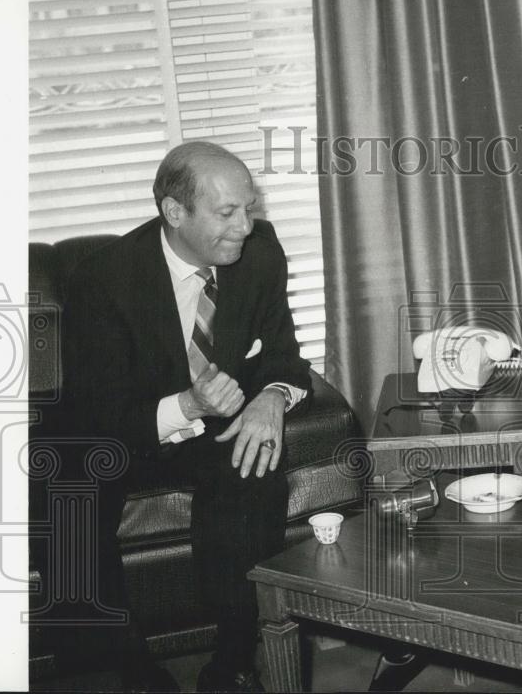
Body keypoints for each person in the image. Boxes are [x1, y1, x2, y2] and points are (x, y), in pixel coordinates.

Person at [61, 142, 312, 691]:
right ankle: (131, 669)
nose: (245, 226)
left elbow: (285, 356)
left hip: (211, 429)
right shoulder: (102, 278)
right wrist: (189, 405)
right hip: (126, 429)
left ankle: (233, 663)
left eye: (249, 208)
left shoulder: (260, 253)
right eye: (227, 213)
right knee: (71, 491)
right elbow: (100, 410)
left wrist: (272, 397)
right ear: (174, 212)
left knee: (256, 467)